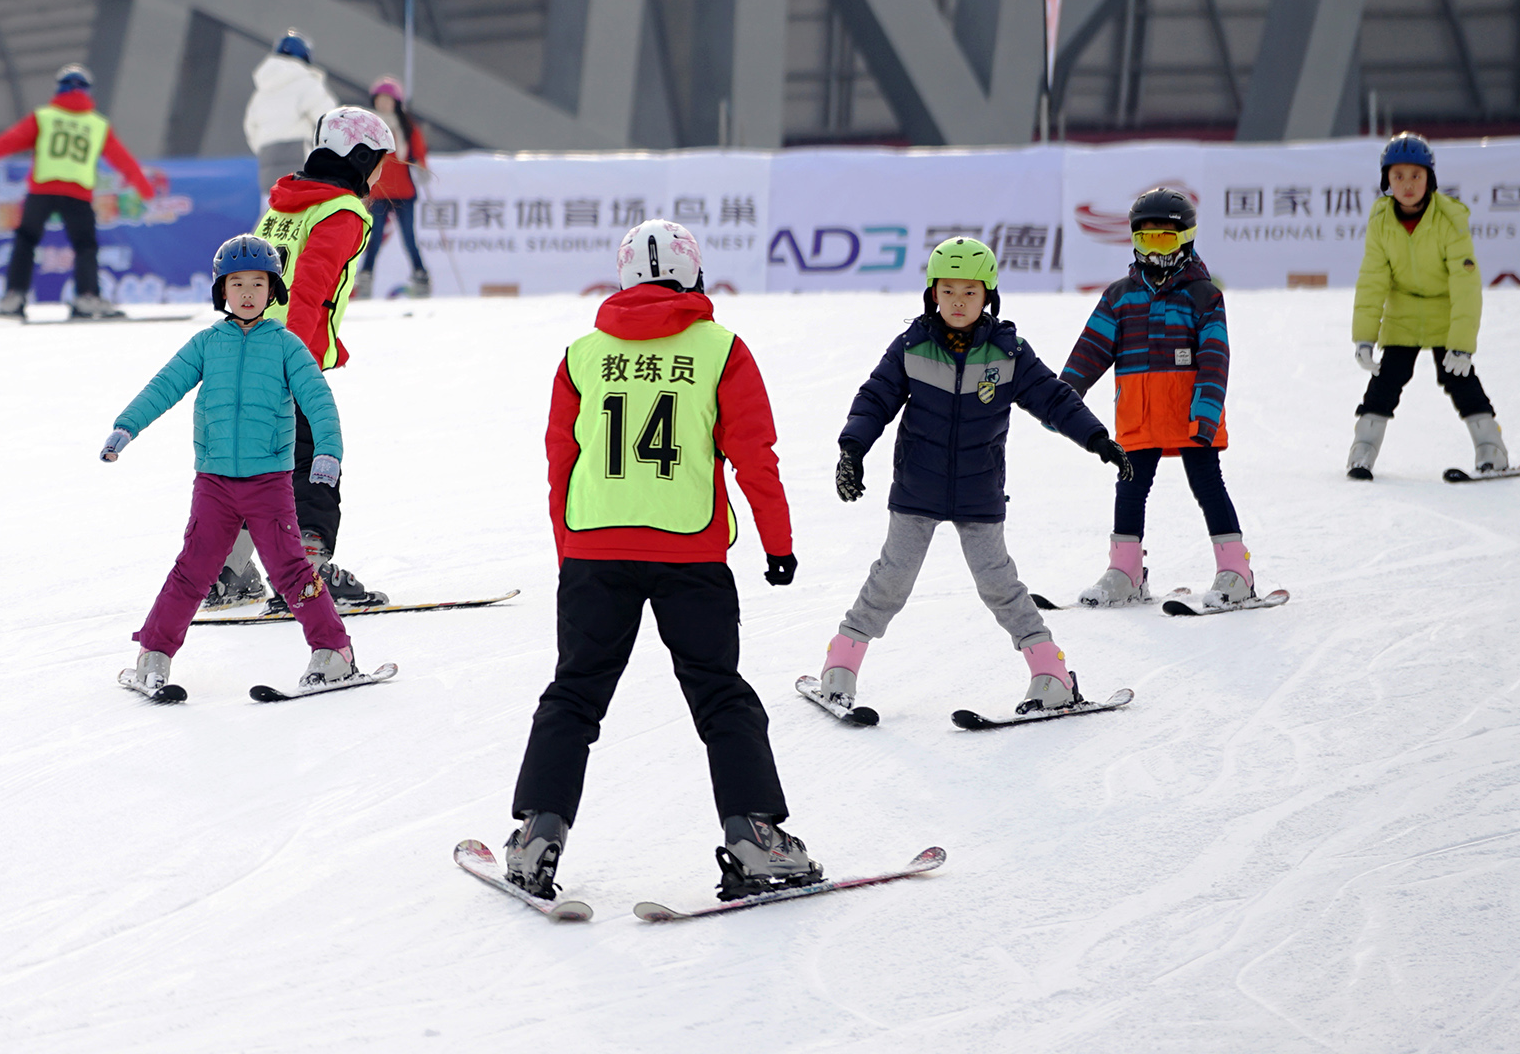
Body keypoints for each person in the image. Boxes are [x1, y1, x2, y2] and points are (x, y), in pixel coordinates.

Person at [501, 217, 815, 906]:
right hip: (689, 553)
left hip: (594, 550)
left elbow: (561, 463)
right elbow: (755, 456)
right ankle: (755, 836)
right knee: (719, 692)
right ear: (693, 272)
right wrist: (778, 543)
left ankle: (536, 835)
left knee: (574, 693)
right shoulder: (721, 349)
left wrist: (567, 552)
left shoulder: (582, 355)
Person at [820, 238, 1130, 717]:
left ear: (989, 296)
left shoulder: (1008, 353)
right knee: (891, 580)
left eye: (970, 291)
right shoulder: (912, 347)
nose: (958, 301)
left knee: (999, 584)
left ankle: (1052, 675)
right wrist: (852, 451)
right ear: (932, 294)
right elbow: (875, 398)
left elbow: (1053, 398)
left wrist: (1097, 439)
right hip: (917, 487)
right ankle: (840, 668)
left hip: (979, 489)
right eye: (947, 290)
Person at [100, 234, 363, 697]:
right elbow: (164, 386)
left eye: (258, 283)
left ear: (273, 290)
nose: (246, 293)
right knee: (192, 570)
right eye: (236, 283)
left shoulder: (286, 346)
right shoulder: (206, 344)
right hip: (215, 483)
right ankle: (153, 654)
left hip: (269, 483)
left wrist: (327, 452)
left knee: (292, 571)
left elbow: (318, 399)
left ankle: (333, 652)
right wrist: (126, 427)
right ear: (221, 290)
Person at [214, 103, 393, 611]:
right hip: (287, 359)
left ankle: (227, 572)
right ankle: (307, 572)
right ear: (359, 158)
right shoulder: (342, 212)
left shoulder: (283, 205)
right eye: (379, 163)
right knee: (313, 461)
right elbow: (310, 291)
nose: (381, 176)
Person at [1059, 186, 1253, 610]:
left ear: (1185, 239)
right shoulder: (1120, 296)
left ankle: (1236, 572)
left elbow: (1215, 359)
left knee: (1207, 484)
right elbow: (1091, 349)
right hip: (1139, 417)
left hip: (1190, 417)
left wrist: (1206, 414)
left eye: (1164, 239)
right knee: (1130, 486)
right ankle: (1125, 572)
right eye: (1145, 238)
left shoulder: (1203, 296)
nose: (1153, 249)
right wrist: (1063, 397)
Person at [1347, 132, 1512, 478]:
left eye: (1416, 175)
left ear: (1430, 178)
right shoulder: (1381, 222)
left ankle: (1491, 450)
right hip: (1402, 316)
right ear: (1387, 180)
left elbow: (1465, 285)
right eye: (1398, 176)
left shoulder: (1450, 219)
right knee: (1386, 381)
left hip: (1445, 314)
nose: (1407, 184)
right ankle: (1362, 451)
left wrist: (1462, 344)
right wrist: (1364, 337)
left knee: (1459, 378)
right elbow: (1373, 280)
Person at [0, 64, 167, 319]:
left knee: (26, 240)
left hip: (42, 190)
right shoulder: (97, 124)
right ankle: (87, 298)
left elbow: (8, 141)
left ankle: (14, 297)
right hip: (78, 194)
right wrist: (146, 190)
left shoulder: (44, 117)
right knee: (85, 246)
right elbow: (123, 159)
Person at [353, 76, 430, 301]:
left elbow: (419, 151)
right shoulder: (368, 126)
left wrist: (421, 167)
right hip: (378, 192)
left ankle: (420, 276)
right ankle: (365, 278)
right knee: (374, 237)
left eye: (388, 99)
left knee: (409, 237)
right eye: (380, 99)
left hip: (404, 191)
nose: (384, 103)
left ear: (396, 102)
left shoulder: (406, 127)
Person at [242, 32, 333, 195]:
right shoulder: (307, 83)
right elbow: (329, 119)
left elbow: (250, 128)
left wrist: (264, 147)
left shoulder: (260, 93)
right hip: (299, 153)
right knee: (301, 202)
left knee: (272, 204)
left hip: (267, 156)